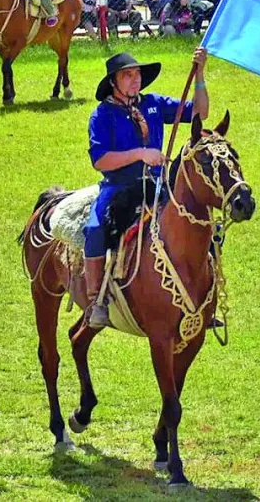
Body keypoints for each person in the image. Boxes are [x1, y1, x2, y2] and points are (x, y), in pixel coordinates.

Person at [84, 48, 210, 327]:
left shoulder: (154, 103)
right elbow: (100, 160)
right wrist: (141, 154)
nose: (135, 79)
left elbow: (200, 112)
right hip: (118, 188)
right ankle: (96, 301)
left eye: (137, 74)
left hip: (158, 186)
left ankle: (204, 295)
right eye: (127, 75)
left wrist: (200, 74)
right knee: (94, 229)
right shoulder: (102, 115)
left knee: (199, 221)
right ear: (113, 82)